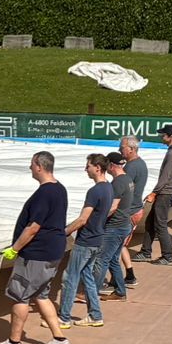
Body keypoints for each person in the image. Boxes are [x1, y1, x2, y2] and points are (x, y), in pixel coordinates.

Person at [0, 151, 72, 344]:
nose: (30, 167)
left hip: (37, 253)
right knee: (41, 294)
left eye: (31, 164)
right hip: (53, 251)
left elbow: (33, 227)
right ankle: (59, 338)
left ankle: (14, 342)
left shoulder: (44, 193)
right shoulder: (60, 189)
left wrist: (14, 249)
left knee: (19, 295)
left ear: (39, 166)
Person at [60, 154, 118, 327]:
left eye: (88, 166)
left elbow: (83, 219)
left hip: (85, 241)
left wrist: (64, 232)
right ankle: (95, 315)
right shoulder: (109, 188)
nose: (86, 169)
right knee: (88, 277)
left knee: (70, 277)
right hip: (97, 239)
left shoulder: (95, 191)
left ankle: (64, 318)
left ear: (97, 168)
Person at [145, 125, 172, 265]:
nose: (161, 137)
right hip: (168, 191)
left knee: (160, 225)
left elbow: (165, 176)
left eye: (163, 135)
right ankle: (145, 251)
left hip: (166, 193)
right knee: (150, 222)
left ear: (171, 136)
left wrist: (154, 192)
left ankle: (168, 256)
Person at [96, 153, 134, 300]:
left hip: (115, 227)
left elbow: (113, 207)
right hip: (123, 225)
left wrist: (97, 220)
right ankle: (120, 291)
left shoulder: (117, 183)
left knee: (102, 259)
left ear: (111, 165)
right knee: (112, 259)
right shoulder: (127, 179)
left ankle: (90, 291)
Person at [115, 134, 149, 292]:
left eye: (122, 147)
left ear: (131, 149)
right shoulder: (140, 164)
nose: (119, 150)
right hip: (134, 210)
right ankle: (129, 275)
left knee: (114, 245)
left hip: (129, 211)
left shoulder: (131, 167)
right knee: (120, 245)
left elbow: (123, 189)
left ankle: (116, 281)